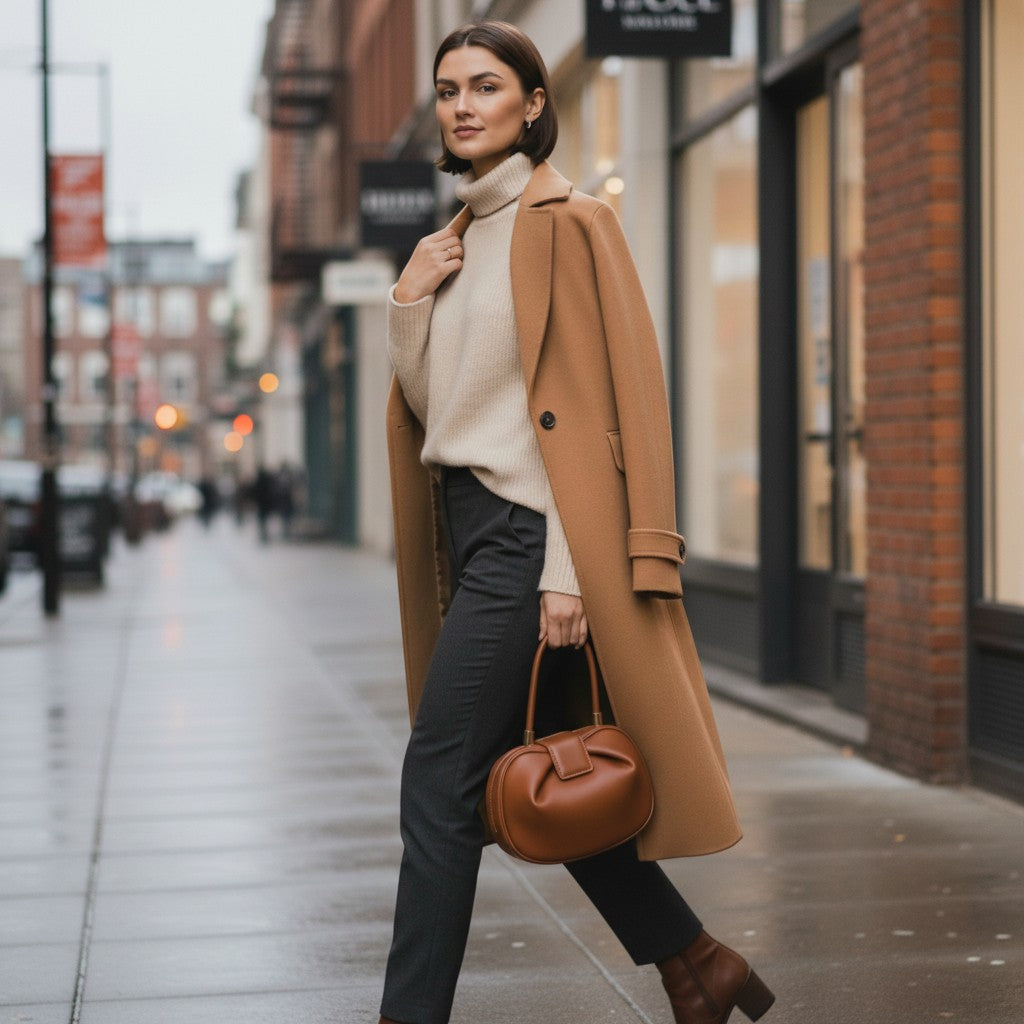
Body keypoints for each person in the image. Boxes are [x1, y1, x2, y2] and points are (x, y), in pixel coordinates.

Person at [381, 21, 775, 1024]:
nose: (460, 105)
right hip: (467, 530)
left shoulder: (573, 224)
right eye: (445, 90)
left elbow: (618, 405)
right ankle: (696, 964)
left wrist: (571, 566)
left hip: (529, 536)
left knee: (438, 781)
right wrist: (409, 304)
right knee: (558, 774)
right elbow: (437, 412)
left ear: (531, 103)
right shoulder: (453, 241)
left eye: (482, 85)